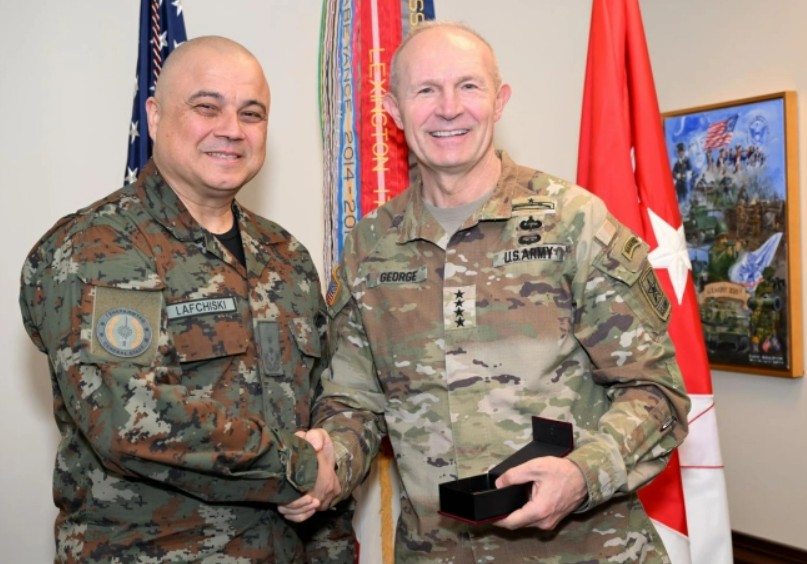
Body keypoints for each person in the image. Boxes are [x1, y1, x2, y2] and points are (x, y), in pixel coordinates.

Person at [280, 22, 690, 562]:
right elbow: (353, 403)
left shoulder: (573, 222)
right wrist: (329, 459)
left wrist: (581, 474)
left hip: (584, 551)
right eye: (426, 90)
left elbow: (657, 393)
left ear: (500, 101)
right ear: (395, 110)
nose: (449, 108)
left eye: (468, 86)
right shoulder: (370, 247)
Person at [19, 36, 353, 563]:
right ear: (154, 116)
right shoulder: (97, 248)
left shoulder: (286, 256)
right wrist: (300, 468)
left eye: (252, 113)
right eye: (206, 107)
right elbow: (131, 417)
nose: (232, 129)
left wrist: (333, 474)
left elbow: (327, 398)